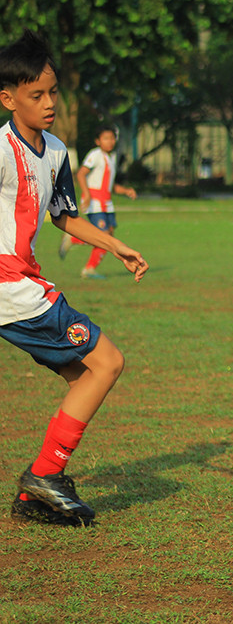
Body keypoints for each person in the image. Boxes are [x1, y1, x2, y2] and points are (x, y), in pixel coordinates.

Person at [0, 30, 149, 526]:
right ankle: (44, 477)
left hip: (22, 283)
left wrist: (114, 245)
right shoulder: (0, 149)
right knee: (107, 361)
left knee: (86, 375)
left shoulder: (58, 151)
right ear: (8, 98)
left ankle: (35, 490)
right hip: (10, 285)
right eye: (35, 95)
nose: (49, 103)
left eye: (53, 92)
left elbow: (64, 216)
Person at [58, 124, 137, 279]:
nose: (110, 141)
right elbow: (81, 174)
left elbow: (110, 185)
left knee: (109, 237)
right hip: (95, 202)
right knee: (104, 236)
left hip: (107, 203)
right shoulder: (95, 155)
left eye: (112, 138)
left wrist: (126, 191)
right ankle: (72, 238)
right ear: (98, 141)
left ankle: (89, 269)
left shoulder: (111, 158)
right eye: (106, 138)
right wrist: (86, 194)